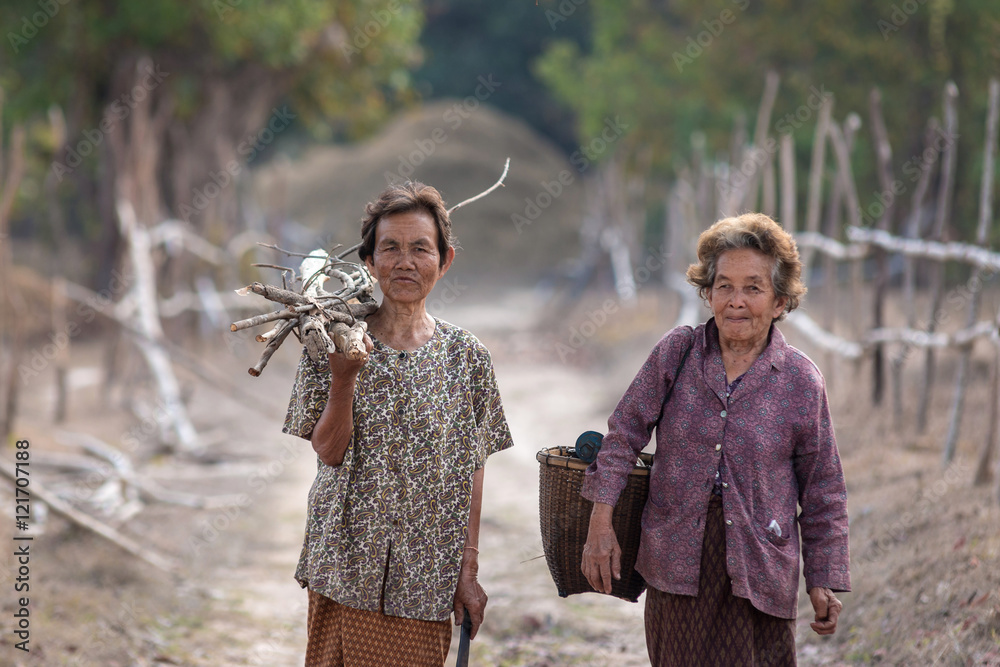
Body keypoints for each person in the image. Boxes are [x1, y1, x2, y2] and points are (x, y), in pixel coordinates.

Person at [580, 213, 851, 666]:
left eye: (753, 287)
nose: (736, 301)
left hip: (761, 574)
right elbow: (623, 436)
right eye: (723, 286)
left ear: (781, 300)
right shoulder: (676, 353)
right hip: (676, 569)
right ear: (707, 293)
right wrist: (600, 523)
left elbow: (823, 488)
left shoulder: (801, 381)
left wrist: (823, 576)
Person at [283, 182, 513, 667]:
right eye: (390, 248)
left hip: (425, 577)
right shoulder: (333, 338)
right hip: (346, 569)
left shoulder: (466, 356)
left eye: (420, 249)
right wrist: (344, 378)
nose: (405, 262)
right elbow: (327, 451)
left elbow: (473, 469)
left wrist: (467, 572)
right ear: (370, 261)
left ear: (445, 260)